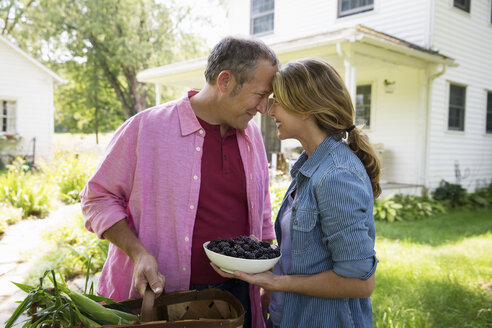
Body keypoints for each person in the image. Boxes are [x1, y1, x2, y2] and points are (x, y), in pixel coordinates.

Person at [80, 36, 279, 328]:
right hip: (165, 299)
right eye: (260, 95)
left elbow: (260, 214)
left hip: (239, 295)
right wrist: (138, 254)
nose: (263, 108)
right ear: (225, 81)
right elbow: (97, 198)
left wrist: (266, 280)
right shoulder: (146, 128)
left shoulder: (253, 137)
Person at [212, 58, 381, 327]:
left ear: (305, 108)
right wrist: (264, 264)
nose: (269, 110)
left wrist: (277, 282)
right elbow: (310, 251)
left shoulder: (336, 177)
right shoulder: (309, 167)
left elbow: (359, 282)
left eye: (278, 100)